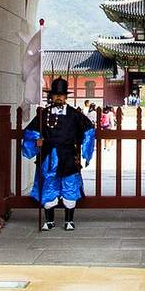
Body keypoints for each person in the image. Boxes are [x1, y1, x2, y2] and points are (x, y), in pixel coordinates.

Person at [21, 77, 96, 231]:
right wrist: (37, 141)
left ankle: (69, 220)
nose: (59, 97)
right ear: (51, 96)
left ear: (66, 97)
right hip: (49, 157)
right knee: (49, 186)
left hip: (68, 156)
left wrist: (86, 150)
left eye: (61, 95)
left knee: (70, 186)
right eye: (56, 95)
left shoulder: (75, 114)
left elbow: (89, 129)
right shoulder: (44, 114)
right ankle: (49, 221)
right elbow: (31, 132)